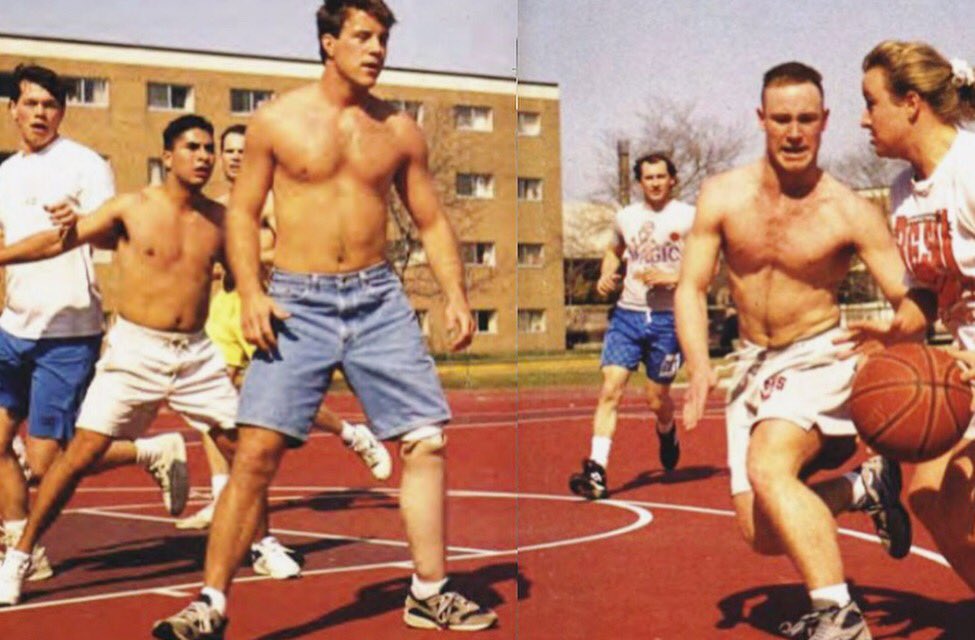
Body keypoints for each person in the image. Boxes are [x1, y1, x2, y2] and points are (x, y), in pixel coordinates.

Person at [153, 2, 497, 636]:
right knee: (254, 453)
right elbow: (242, 210)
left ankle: (429, 590)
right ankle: (210, 604)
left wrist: (455, 292)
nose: (376, 49)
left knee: (427, 441)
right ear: (327, 42)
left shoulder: (399, 130)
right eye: (362, 36)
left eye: (384, 38)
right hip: (295, 299)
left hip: (378, 299)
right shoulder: (277, 121)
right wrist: (251, 291)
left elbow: (429, 220)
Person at [0, 114, 303, 606]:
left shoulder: (224, 220)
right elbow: (62, 239)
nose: (204, 157)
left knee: (244, 449)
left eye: (209, 149)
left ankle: (262, 542)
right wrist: (4, 256)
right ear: (167, 157)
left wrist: (257, 295)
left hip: (197, 354)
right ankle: (20, 555)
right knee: (79, 455)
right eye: (193, 147)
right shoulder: (130, 208)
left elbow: (248, 273)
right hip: (135, 349)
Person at [675, 62, 932, 639]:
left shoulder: (848, 211)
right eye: (782, 119)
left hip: (820, 357)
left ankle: (838, 619)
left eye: (807, 120)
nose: (794, 132)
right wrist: (696, 365)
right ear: (761, 119)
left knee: (769, 466)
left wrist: (892, 334)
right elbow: (690, 286)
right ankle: (863, 487)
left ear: (825, 122)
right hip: (750, 365)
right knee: (761, 534)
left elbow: (911, 300)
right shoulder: (722, 195)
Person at [0, 63, 186, 579]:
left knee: (45, 461)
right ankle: (24, 549)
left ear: (61, 111)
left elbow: (103, 235)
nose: (39, 113)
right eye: (29, 103)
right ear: (13, 108)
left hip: (68, 330)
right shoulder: (6, 172)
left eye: (49, 105)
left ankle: (147, 451)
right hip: (15, 325)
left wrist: (71, 229)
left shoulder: (84, 165)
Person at [176, 124, 393, 530]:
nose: (236, 157)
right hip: (225, 305)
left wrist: (249, 254)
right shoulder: (218, 207)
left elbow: (290, 248)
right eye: (230, 151)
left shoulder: (275, 201)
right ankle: (222, 493)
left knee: (284, 397)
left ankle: (352, 434)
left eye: (244, 150)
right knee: (213, 395)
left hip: (270, 300)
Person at [856, 40, 975, 594]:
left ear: (910, 103)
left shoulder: (970, 171)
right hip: (964, 369)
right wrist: (897, 325)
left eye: (870, 102)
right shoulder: (905, 191)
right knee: (928, 496)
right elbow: (931, 290)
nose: (864, 119)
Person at [569, 153, 693, 499]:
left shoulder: (688, 218)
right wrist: (606, 274)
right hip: (628, 316)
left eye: (660, 176)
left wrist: (672, 277)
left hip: (668, 321)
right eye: (648, 177)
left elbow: (707, 269)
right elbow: (614, 250)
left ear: (673, 180)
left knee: (657, 398)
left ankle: (666, 430)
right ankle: (596, 470)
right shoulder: (626, 217)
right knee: (611, 389)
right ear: (640, 182)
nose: (654, 183)